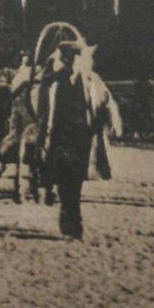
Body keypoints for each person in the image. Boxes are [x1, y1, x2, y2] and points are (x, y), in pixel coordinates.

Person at [35, 40, 100, 239]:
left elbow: (97, 107)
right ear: (64, 60)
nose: (74, 62)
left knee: (76, 182)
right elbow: (47, 114)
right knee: (66, 183)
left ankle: (72, 222)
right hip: (60, 138)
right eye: (70, 58)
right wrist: (44, 140)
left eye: (78, 58)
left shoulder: (89, 82)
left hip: (81, 139)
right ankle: (71, 224)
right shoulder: (55, 82)